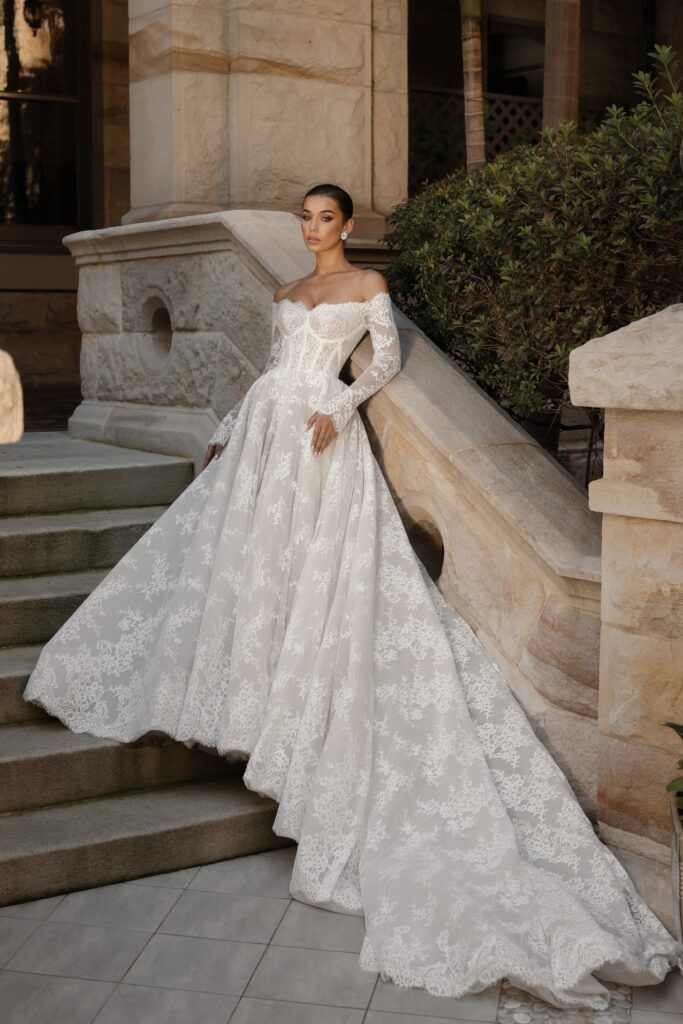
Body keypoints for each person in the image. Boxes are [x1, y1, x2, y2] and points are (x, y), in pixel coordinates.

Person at [23, 183, 683, 1011]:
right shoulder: (287, 291)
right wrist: (229, 430)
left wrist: (338, 406)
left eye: (323, 217)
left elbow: (385, 362)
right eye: (302, 217)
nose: (310, 229)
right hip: (268, 429)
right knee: (242, 574)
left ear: (347, 226)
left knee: (322, 581)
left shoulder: (367, 287)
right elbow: (271, 370)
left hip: (319, 438)